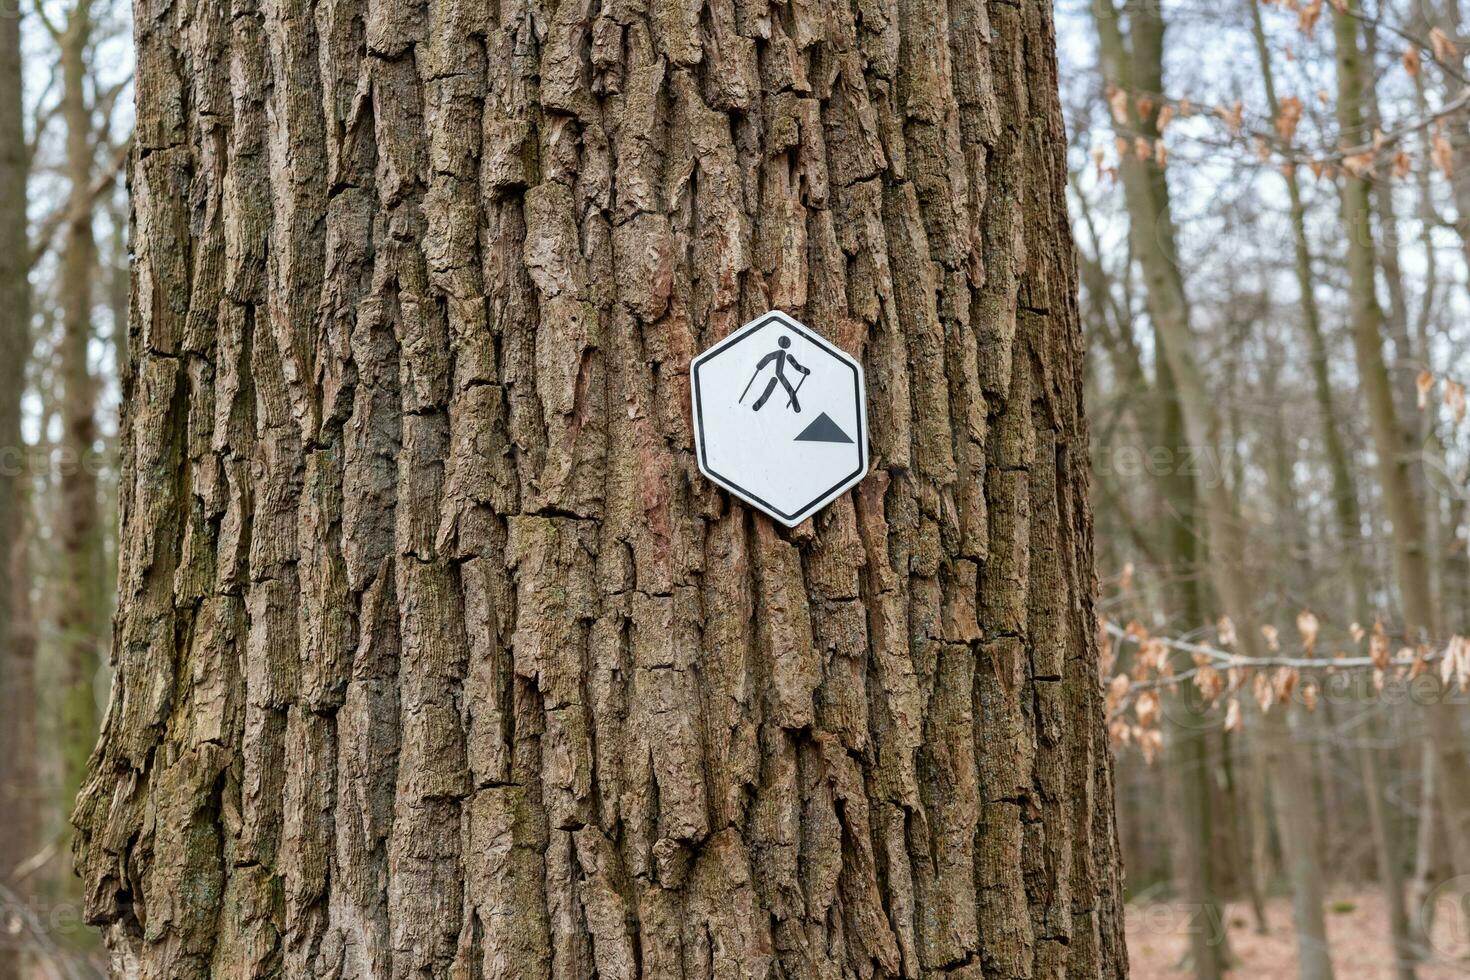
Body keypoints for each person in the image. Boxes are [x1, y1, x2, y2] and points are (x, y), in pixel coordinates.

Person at [743, 336, 810, 413]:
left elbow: (795, 365)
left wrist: (804, 370)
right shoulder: (781, 353)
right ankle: (757, 406)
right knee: (786, 391)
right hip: (777, 375)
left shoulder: (787, 355)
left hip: (780, 375)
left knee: (789, 391)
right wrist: (760, 366)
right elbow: (768, 358)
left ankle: (796, 407)